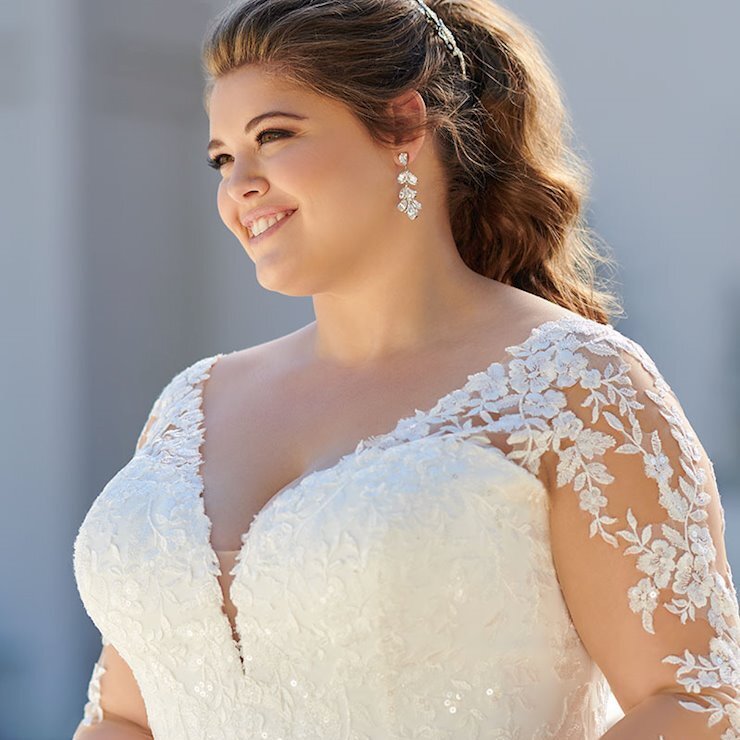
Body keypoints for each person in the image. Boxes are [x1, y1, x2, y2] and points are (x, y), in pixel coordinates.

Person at [71, 0, 740, 737]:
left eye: (275, 136)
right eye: (223, 158)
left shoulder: (574, 382)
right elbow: (126, 718)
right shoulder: (188, 404)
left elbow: (695, 702)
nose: (239, 186)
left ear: (404, 126)